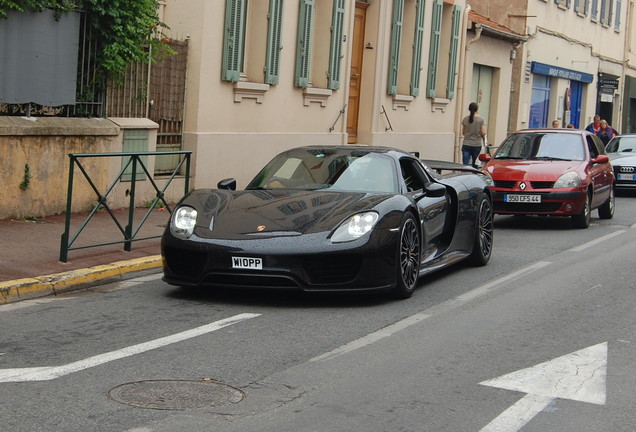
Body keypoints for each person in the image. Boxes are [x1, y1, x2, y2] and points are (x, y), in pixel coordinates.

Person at [461, 102, 486, 168]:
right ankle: (474, 176)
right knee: (475, 164)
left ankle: (464, 176)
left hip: (466, 143)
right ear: (477, 109)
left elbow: (463, 132)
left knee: (465, 163)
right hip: (476, 144)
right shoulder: (481, 120)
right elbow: (483, 133)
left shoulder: (465, 119)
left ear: (469, 109)